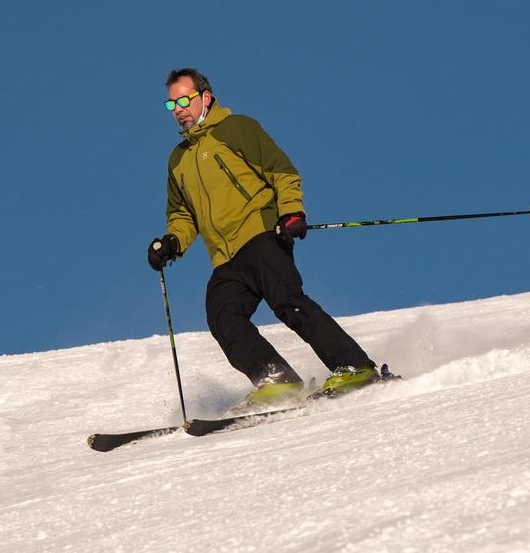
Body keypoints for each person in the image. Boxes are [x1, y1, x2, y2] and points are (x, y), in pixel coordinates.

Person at [148, 67, 380, 410]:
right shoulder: (178, 159)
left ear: (205, 98)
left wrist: (291, 213)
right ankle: (276, 379)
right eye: (171, 104)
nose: (179, 109)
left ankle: (355, 366)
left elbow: (280, 170)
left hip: (261, 234)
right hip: (225, 257)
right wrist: (172, 242)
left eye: (184, 99)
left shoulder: (236, 128)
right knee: (222, 317)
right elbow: (183, 214)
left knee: (287, 301)